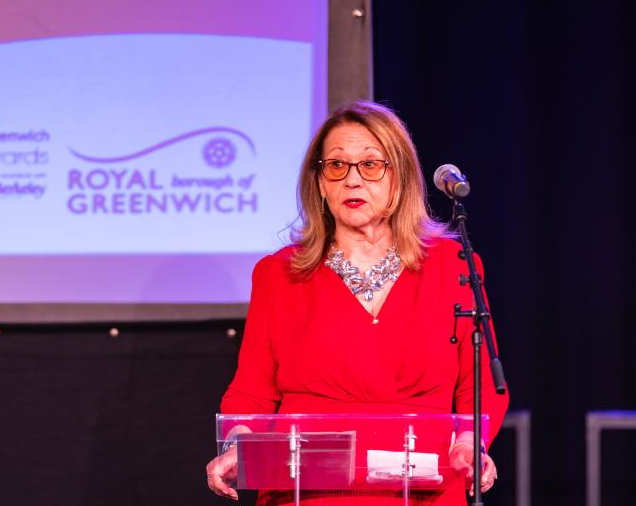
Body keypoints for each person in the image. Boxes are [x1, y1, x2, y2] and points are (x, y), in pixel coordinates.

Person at [206, 100, 509, 505]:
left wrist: (470, 444)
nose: (352, 180)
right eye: (336, 166)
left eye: (370, 165)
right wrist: (237, 446)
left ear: (400, 178)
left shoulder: (453, 266)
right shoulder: (278, 274)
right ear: (319, 183)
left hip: (426, 489)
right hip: (308, 492)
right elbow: (251, 394)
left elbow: (481, 386)